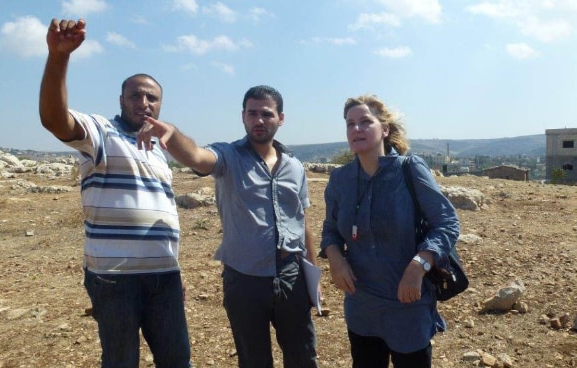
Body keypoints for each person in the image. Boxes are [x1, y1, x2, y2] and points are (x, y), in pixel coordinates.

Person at [38, 18, 191, 368]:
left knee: (178, 360)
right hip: (115, 279)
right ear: (120, 99)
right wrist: (58, 58)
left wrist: (174, 271)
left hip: (164, 279)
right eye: (135, 95)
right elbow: (54, 119)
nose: (144, 102)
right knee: (121, 361)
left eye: (152, 97)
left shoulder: (158, 149)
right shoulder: (102, 133)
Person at [137, 85, 319, 368]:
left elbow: (301, 217)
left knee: (303, 356)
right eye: (252, 113)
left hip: (291, 277)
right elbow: (198, 157)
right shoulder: (229, 156)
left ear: (280, 118)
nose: (259, 120)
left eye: (267, 114)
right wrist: (171, 134)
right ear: (243, 116)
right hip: (244, 280)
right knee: (253, 360)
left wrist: (312, 272)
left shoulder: (294, 166)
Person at [320, 94, 460, 368]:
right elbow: (331, 231)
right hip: (361, 307)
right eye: (350, 124)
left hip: (407, 302)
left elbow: (447, 222)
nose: (356, 129)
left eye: (364, 122)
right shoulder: (340, 179)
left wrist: (418, 265)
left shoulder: (409, 169)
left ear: (384, 129)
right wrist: (336, 261)